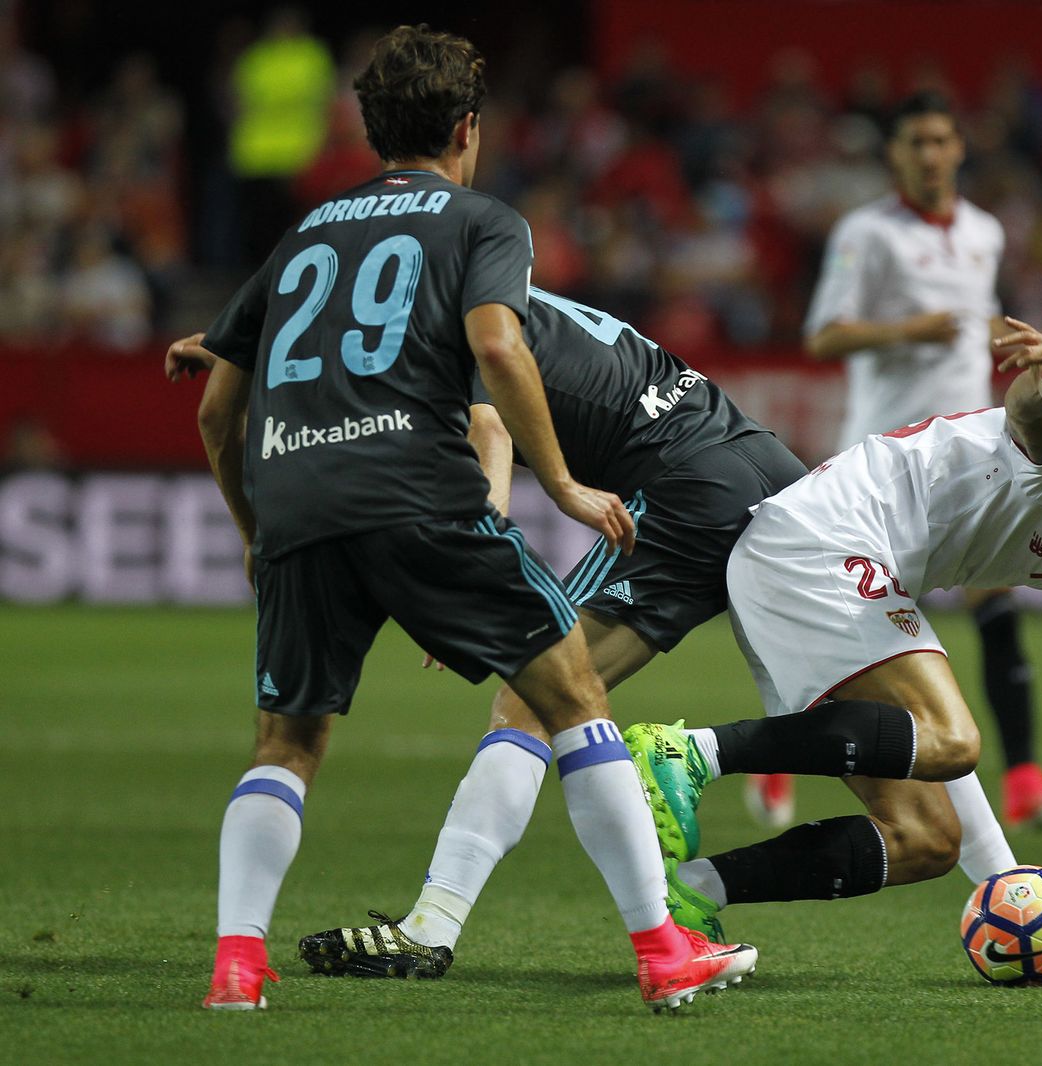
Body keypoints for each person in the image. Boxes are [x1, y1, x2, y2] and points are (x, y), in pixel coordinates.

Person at [187, 24, 754, 1013]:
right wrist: (568, 485)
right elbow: (497, 345)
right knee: (571, 692)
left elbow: (214, 409)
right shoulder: (483, 222)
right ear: (466, 128)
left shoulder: (303, 235)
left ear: (370, 130)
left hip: (294, 502)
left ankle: (238, 964)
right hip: (412, 489)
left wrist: (251, 531)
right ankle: (663, 950)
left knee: (285, 743)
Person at [165, 282, 810, 974]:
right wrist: (227, 343)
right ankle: (939, 844)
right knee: (889, 739)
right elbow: (349, 340)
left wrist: (478, 562)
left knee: (534, 699)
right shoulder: (476, 280)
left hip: (688, 483)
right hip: (760, 460)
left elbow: (489, 426)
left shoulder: (450, 304)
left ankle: (437, 925)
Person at [624, 317, 1042, 935]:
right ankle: (691, 753)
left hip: (814, 570)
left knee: (924, 840)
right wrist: (1041, 390)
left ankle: (691, 894)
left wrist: (1009, 890)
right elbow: (1036, 424)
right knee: (952, 738)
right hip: (818, 546)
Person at [791, 90, 1042, 831]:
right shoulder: (868, 233)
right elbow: (822, 338)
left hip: (966, 454)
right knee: (872, 635)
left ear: (960, 148)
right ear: (894, 154)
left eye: (940, 141)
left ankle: (1024, 778)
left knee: (997, 604)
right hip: (884, 464)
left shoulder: (984, 233)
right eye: (914, 142)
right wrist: (907, 330)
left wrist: (1004, 336)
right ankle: (789, 755)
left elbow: (971, 318)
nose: (929, 155)